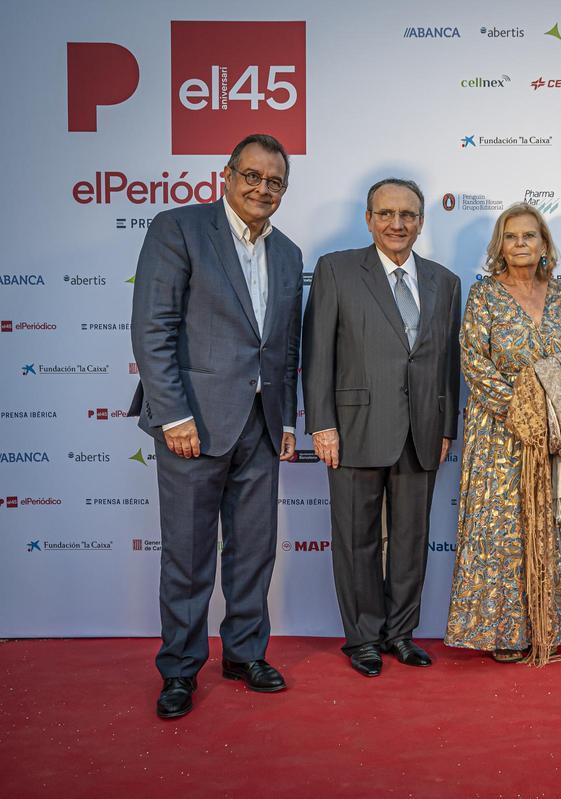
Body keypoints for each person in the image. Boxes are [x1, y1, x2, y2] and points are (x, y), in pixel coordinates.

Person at [130, 133, 303, 718]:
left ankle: (243, 653)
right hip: (193, 424)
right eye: (252, 176)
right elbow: (153, 328)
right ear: (226, 175)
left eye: (274, 181)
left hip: (260, 424)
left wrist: (285, 420)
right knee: (188, 553)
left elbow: (283, 347)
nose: (262, 188)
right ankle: (179, 668)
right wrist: (173, 413)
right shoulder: (178, 229)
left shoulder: (288, 253)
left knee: (253, 552)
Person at [302, 178, 462, 677]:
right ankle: (363, 638)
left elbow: (447, 363)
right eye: (387, 214)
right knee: (356, 539)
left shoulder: (445, 281)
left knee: (412, 538)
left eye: (409, 215)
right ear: (369, 219)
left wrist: (446, 425)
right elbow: (316, 353)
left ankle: (401, 633)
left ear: (421, 221)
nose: (398, 224)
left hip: (423, 430)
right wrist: (322, 423)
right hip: (353, 427)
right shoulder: (336, 270)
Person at [445, 203, 561, 664]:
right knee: (501, 531)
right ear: (499, 246)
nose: (521, 244)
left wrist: (552, 414)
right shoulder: (484, 295)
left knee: (549, 523)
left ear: (544, 244)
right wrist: (521, 409)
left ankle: (548, 623)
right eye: (511, 237)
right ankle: (504, 631)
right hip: (499, 431)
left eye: (530, 236)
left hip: (552, 432)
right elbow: (473, 359)